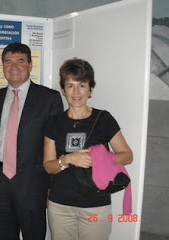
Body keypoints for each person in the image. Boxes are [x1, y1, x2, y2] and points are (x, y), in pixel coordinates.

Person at [0, 42, 64, 240]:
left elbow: (58, 145)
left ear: (30, 65)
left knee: (33, 234)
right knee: (3, 235)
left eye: (20, 61)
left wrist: (53, 186)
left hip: (34, 183)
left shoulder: (49, 98)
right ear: (2, 66)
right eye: (8, 62)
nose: (14, 67)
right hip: (0, 181)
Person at [43, 58, 133, 240]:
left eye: (82, 85)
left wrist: (101, 158)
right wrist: (68, 159)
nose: (76, 92)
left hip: (96, 206)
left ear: (91, 89)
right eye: (70, 85)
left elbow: (127, 156)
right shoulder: (54, 122)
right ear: (63, 89)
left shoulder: (104, 119)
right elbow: (48, 166)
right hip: (60, 206)